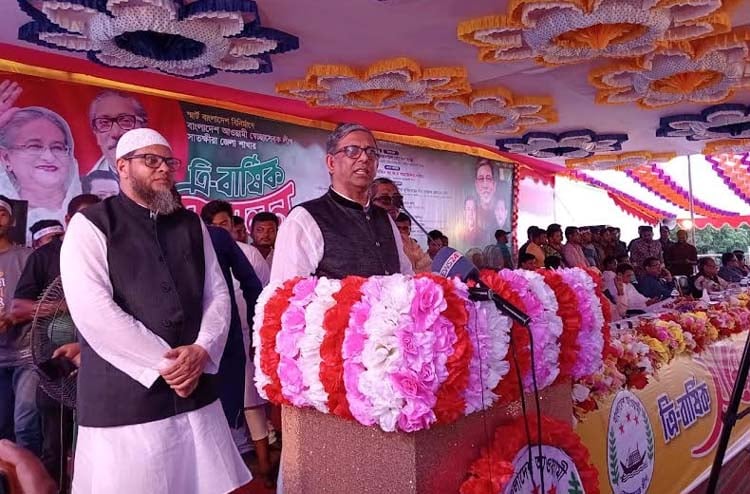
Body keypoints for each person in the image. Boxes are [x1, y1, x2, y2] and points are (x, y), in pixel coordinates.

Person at [59, 128, 251, 493]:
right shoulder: (92, 224)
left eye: (168, 161)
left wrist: (202, 349)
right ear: (122, 167)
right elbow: (93, 310)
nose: (163, 168)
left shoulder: (190, 223)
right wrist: (169, 364)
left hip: (194, 389)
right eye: (151, 160)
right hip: (126, 397)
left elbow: (216, 293)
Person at [9, 193, 100, 489]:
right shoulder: (46, 256)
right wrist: (68, 305)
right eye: (85, 218)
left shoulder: (110, 255)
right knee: (54, 441)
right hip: (55, 360)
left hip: (100, 362)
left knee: (99, 441)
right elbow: (18, 308)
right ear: (69, 220)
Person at [271, 121, 412, 282]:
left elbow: (405, 277)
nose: (365, 158)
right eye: (352, 151)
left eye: (371, 152)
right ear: (331, 163)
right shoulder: (304, 219)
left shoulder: (385, 218)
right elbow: (286, 291)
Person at [199, 200, 275, 484]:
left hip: (244, 333)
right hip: (209, 337)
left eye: (224, 224)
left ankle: (264, 465)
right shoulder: (198, 246)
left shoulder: (248, 253)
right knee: (215, 399)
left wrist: (259, 334)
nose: (220, 230)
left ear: (233, 224)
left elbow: (261, 292)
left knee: (251, 400)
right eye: (214, 225)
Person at [0, 107, 82, 243]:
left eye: (57, 147)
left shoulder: (90, 207)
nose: (49, 157)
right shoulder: (4, 215)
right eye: (34, 146)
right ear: (6, 158)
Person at [0, 196, 35, 455]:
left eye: (1, 213)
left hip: (26, 355)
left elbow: (54, 302)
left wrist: (15, 317)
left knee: (26, 426)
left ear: (11, 220)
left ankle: (30, 476)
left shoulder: (27, 257)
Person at [86, 90, 148, 179]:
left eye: (125, 121)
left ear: (143, 128)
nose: (115, 133)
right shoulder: (84, 185)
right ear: (97, 136)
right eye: (104, 123)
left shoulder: (165, 173)